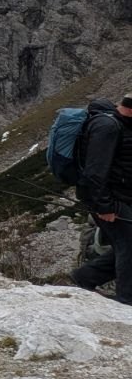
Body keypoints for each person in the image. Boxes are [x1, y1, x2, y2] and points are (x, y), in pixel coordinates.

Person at [73, 94, 132, 305]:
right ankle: (126, 302)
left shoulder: (122, 125)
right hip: (109, 200)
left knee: (125, 244)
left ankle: (85, 277)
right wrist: (104, 206)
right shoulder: (108, 127)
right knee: (129, 246)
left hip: (120, 197)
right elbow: (95, 171)